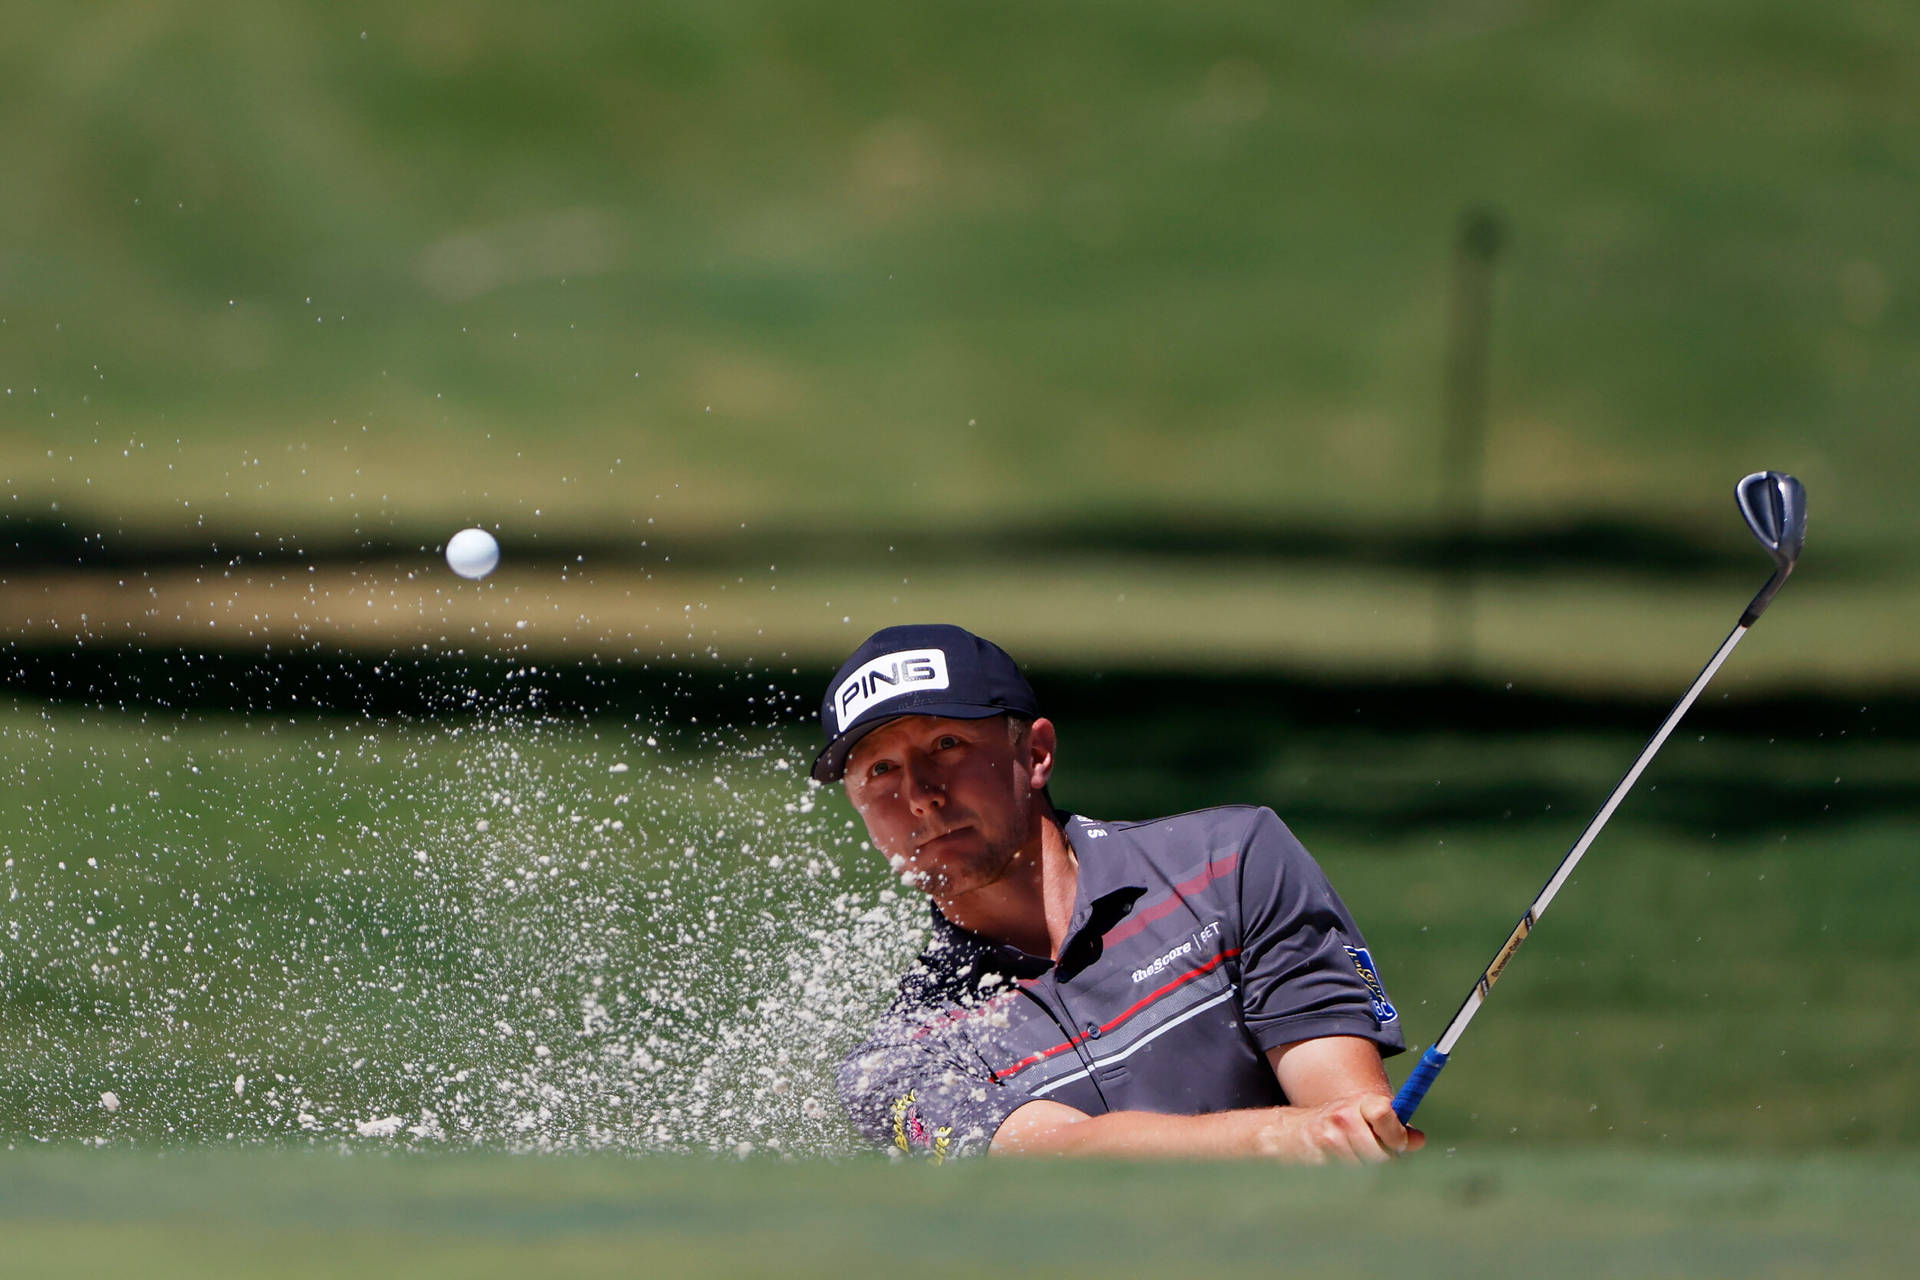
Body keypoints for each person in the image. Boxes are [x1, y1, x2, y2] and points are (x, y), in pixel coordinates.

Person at [815, 623, 1422, 1163]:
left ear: (1034, 752)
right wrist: (1275, 1136)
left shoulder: (1231, 864)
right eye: (880, 771)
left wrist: (1337, 1129)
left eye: (946, 746)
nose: (920, 794)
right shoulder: (895, 1060)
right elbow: (1054, 1157)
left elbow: (1346, 1126)